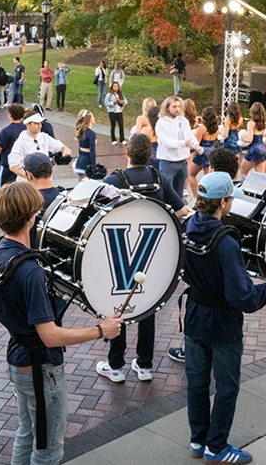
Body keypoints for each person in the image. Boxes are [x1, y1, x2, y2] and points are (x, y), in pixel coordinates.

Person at [0, 181, 122, 465]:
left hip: (17, 357)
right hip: (40, 368)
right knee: (48, 448)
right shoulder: (29, 269)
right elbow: (49, 335)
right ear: (32, 218)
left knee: (28, 431)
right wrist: (101, 330)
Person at [183, 171, 266, 463]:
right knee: (226, 386)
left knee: (196, 384)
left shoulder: (186, 227)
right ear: (223, 201)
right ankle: (216, 447)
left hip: (194, 318)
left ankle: (198, 441)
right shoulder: (227, 243)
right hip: (223, 325)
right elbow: (243, 298)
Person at [96, 135, 189, 383]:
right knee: (148, 306)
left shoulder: (116, 180)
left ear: (128, 152)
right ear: (150, 154)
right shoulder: (158, 178)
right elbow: (181, 210)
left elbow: (93, 210)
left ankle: (116, 366)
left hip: (120, 254)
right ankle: (145, 366)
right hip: (152, 255)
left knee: (119, 308)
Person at [7, 112, 72, 179]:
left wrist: (65, 149)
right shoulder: (20, 142)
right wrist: (30, 177)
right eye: (36, 123)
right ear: (27, 124)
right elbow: (13, 166)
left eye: (40, 123)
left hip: (45, 182)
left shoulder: (44, 137)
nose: (40, 126)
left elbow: (60, 146)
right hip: (28, 185)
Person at [0, 103, 28, 186]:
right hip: (23, 166)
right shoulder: (27, 129)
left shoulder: (6, 131)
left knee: (4, 192)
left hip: (8, 165)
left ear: (10, 115)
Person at [187, 106, 218, 199]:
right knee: (207, 176)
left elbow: (197, 143)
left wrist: (189, 150)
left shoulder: (202, 129)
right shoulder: (216, 128)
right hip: (211, 150)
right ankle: (208, 196)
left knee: (191, 174)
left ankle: (196, 197)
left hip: (202, 152)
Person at [239, 103, 266, 176]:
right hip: (263, 148)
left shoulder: (251, 123)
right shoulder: (264, 123)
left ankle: (245, 187)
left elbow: (250, 139)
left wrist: (242, 139)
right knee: (259, 176)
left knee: (243, 173)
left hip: (254, 149)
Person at [73, 109, 97, 181]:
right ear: (89, 119)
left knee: (80, 183)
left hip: (80, 161)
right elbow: (92, 151)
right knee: (88, 184)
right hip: (87, 162)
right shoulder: (92, 133)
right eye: (93, 117)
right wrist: (93, 165)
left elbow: (80, 149)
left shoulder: (81, 132)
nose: (94, 118)